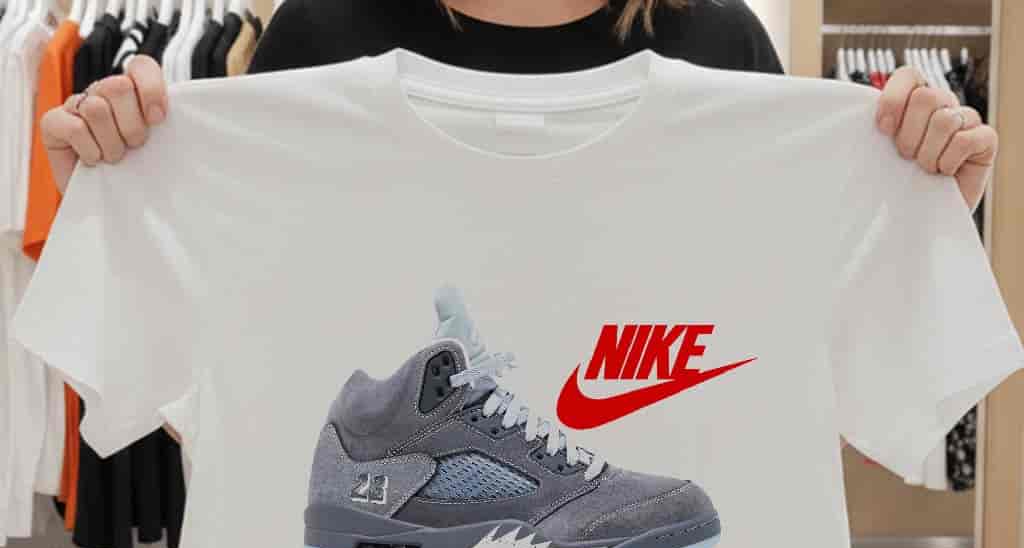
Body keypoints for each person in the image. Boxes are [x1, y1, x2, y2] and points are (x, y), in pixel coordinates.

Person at [42, 0, 997, 213]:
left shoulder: (723, 46)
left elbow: (803, 378)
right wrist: (119, 197)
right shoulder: (318, 36)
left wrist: (919, 210)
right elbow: (221, 389)